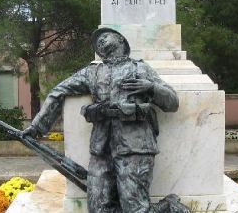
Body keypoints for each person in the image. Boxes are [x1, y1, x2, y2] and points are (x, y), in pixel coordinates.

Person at [23, 28, 188, 213]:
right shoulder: (92, 72)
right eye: (97, 42)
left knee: (135, 209)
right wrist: (37, 127)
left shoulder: (140, 68)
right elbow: (58, 91)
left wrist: (151, 87)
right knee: (97, 208)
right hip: (101, 149)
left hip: (135, 148)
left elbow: (172, 102)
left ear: (120, 39)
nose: (99, 42)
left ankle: (169, 207)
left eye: (104, 37)